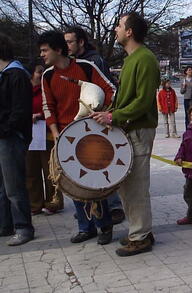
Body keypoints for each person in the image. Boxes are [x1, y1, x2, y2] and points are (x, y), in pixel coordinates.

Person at [91, 12, 160, 256]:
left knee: (136, 186)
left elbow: (143, 101)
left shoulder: (145, 59)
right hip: (130, 129)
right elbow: (126, 100)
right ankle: (141, 231)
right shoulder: (132, 59)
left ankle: (140, 237)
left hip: (139, 130)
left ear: (130, 32)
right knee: (128, 185)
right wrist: (107, 113)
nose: (116, 30)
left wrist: (113, 117)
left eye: (120, 25)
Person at [39, 30, 115, 245]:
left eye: (45, 50)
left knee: (94, 182)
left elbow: (110, 90)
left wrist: (103, 113)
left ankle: (104, 225)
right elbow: (48, 106)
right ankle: (85, 227)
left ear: (58, 49)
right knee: (72, 183)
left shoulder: (85, 67)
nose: (42, 55)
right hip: (65, 136)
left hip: (91, 134)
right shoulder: (48, 75)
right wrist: (56, 135)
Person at [64, 25, 125, 225]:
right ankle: (91, 207)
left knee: (101, 162)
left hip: (97, 119)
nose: (67, 46)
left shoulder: (94, 61)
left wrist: (104, 112)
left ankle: (113, 207)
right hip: (83, 120)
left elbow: (106, 89)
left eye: (70, 41)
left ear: (81, 42)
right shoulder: (73, 62)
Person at [0, 33, 34, 246]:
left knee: (13, 185)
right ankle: (6, 224)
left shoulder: (16, 74)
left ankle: (23, 227)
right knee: (3, 186)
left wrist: (5, 129)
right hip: (5, 135)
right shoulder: (6, 74)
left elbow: (19, 111)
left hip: (10, 137)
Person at [26, 63, 64, 216]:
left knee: (50, 170)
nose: (41, 74)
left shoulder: (47, 88)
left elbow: (52, 106)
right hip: (30, 135)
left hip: (47, 133)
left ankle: (53, 202)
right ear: (31, 74)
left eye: (43, 72)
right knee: (31, 171)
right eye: (38, 72)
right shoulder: (24, 91)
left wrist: (41, 116)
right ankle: (35, 204)